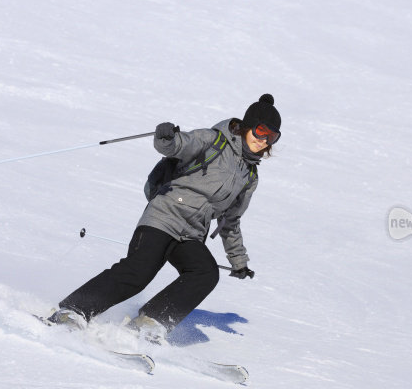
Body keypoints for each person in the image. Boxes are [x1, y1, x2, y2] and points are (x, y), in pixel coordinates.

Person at [49, 93, 282, 342]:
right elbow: (176, 146)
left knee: (205, 272)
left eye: (272, 137)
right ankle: (73, 311)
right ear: (248, 125)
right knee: (139, 272)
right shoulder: (214, 140)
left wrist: (239, 261)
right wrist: (166, 136)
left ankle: (150, 321)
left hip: (192, 233)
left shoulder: (249, 175)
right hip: (164, 215)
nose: (264, 140)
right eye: (261, 131)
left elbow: (230, 221)